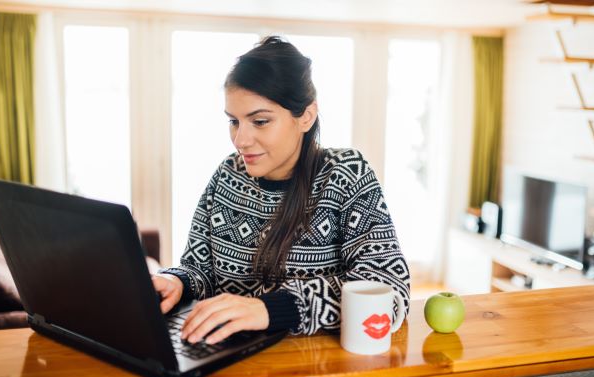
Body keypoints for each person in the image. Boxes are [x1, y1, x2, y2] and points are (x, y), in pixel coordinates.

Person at [152, 36, 410, 345]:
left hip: (316, 367)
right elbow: (200, 270)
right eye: (234, 121)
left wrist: (274, 309)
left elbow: (388, 290)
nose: (240, 140)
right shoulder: (226, 175)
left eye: (260, 121)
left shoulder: (346, 174)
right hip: (229, 364)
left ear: (306, 117)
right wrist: (177, 281)